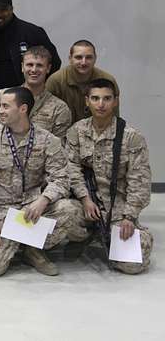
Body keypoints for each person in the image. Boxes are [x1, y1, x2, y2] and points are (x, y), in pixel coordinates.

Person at [0, 87, 75, 277]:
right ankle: (26, 243)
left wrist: (43, 200)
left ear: (23, 109)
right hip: (1, 210)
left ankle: (30, 249)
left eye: (5, 106)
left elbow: (61, 178)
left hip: (31, 208)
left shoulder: (48, 140)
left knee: (69, 209)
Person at [65, 79, 153, 274]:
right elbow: (71, 168)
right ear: (86, 101)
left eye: (107, 98)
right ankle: (86, 236)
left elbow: (140, 181)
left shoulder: (131, 137)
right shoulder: (77, 131)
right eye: (95, 98)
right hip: (86, 204)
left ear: (115, 101)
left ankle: (112, 236)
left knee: (133, 266)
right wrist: (85, 198)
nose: (101, 104)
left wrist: (129, 217)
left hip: (118, 210)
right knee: (61, 215)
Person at [0, 46, 72, 139]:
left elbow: (59, 147)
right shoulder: (1, 97)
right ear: (22, 67)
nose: (34, 70)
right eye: (29, 65)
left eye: (39, 65)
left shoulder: (59, 109)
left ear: (48, 68)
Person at [0, 0, 61, 93]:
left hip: (29, 97)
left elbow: (55, 62)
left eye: (3, 10)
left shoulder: (32, 32)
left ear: (11, 9)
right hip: (0, 98)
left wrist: (38, 88)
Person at [46, 39, 119, 123]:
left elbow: (114, 118)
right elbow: (47, 117)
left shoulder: (108, 80)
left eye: (88, 57)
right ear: (70, 59)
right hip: (62, 133)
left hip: (98, 132)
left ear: (95, 58)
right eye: (78, 57)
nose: (83, 62)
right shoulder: (56, 81)